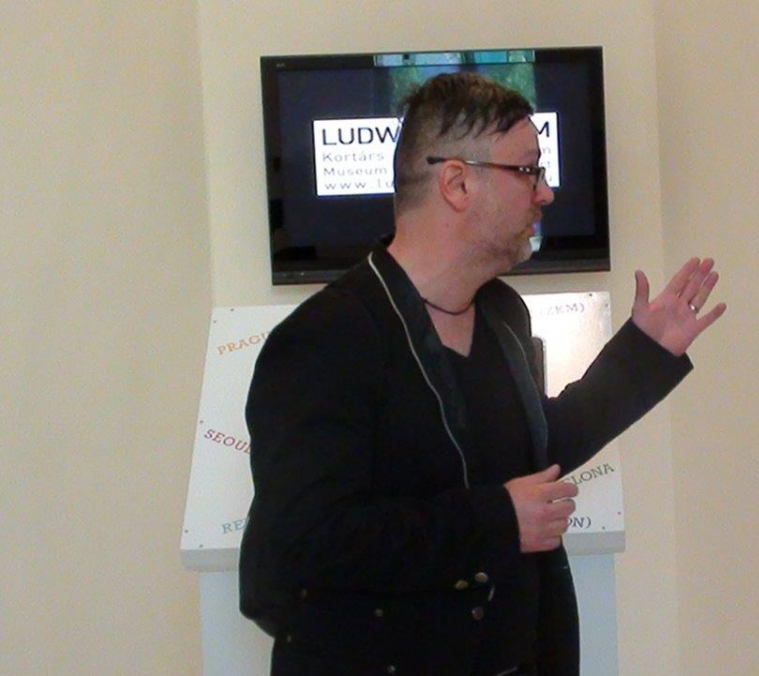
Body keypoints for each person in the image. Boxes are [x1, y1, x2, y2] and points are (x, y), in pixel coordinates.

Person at [238, 72, 725, 676]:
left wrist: (643, 354)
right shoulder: (324, 340)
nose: (545, 192)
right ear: (457, 182)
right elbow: (302, 545)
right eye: (528, 171)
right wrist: (496, 521)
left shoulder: (501, 313)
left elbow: (532, 448)